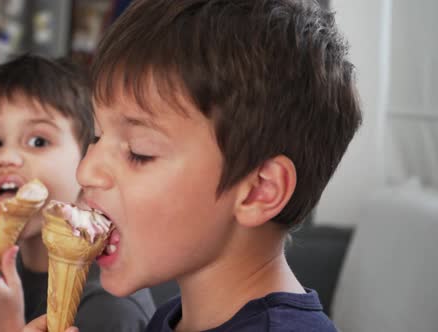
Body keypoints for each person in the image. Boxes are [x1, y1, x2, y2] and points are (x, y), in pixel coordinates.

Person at [26, 0, 362, 331]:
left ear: (259, 190)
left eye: (140, 152)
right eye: (97, 136)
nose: (86, 171)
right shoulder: (173, 317)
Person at [0, 54, 156, 332]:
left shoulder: (108, 308)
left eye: (38, 141)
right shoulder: (10, 272)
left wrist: (4, 323)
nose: (6, 157)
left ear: (88, 162)